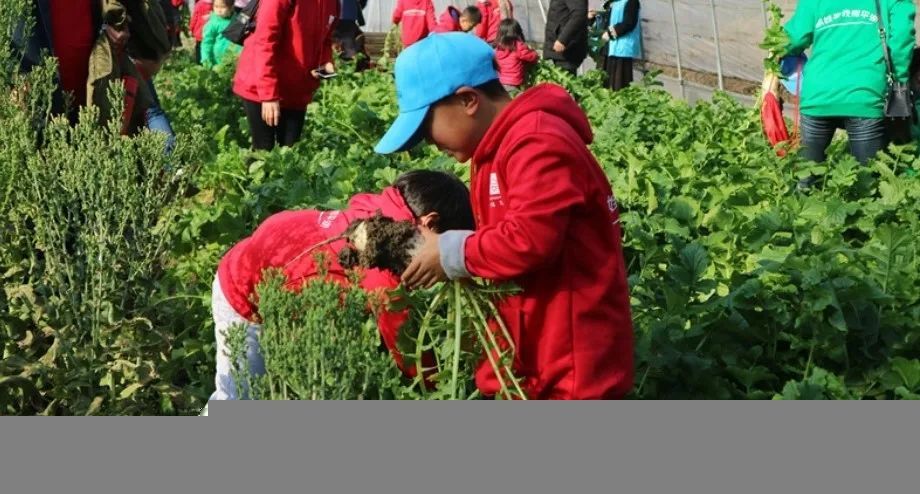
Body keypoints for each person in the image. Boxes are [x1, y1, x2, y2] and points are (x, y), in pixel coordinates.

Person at [375, 33, 634, 400]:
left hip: (571, 368)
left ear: (467, 100)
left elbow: (531, 239)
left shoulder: (537, 141)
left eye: (427, 128)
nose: (430, 143)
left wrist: (451, 253)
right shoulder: (492, 149)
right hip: (534, 356)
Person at [208, 170, 476, 400]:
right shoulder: (377, 265)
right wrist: (438, 386)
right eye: (446, 245)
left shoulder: (378, 210)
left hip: (266, 269)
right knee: (238, 396)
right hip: (242, 296)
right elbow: (405, 346)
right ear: (430, 222)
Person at [783, 0, 915, 165]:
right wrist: (898, 80)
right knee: (866, 182)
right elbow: (901, 41)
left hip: (818, 93)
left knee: (807, 177)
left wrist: (774, 57)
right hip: (865, 94)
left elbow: (791, 39)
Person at [233, 0, 339, 150]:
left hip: (296, 89)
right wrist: (268, 96)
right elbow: (264, 42)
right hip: (260, 85)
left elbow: (325, 39)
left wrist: (324, 61)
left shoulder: (332, 2)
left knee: (290, 152)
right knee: (264, 151)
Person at [601, 0, 641, 91]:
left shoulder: (631, 2)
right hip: (610, 47)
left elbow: (629, 23)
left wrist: (610, 33)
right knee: (605, 81)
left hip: (622, 49)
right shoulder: (612, 3)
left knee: (619, 82)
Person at [544, 0, 588, 75]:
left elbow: (579, 15)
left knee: (565, 82)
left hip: (567, 49)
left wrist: (563, 40)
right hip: (560, 50)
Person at [494, 19, 538, 94]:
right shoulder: (517, 46)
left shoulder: (498, 47)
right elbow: (531, 57)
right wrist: (535, 54)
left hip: (501, 81)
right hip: (514, 81)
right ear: (517, 32)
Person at [200, 0, 242, 68]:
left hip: (236, 58)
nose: (219, 10)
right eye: (216, 7)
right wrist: (206, 59)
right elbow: (207, 43)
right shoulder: (213, 24)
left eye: (223, 7)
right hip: (218, 60)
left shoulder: (237, 19)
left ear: (231, 7)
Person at [334, 0, 370, 71]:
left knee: (340, 48)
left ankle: (345, 72)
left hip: (334, 15)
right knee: (348, 48)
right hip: (348, 14)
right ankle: (348, 72)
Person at [189, 0, 213, 64]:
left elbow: (194, 17)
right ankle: (207, 62)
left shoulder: (200, 4)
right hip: (210, 31)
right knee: (208, 46)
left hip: (200, 31)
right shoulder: (214, 4)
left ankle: (199, 62)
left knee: (199, 47)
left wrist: (191, 28)